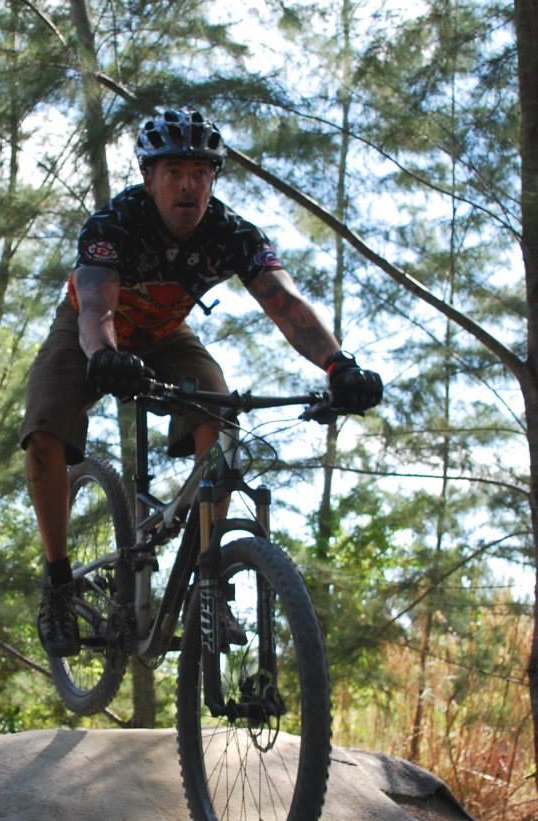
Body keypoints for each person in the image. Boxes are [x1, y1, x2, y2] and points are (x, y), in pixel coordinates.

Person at [19, 109, 383, 658]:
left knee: (220, 417)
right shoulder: (113, 224)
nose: (188, 185)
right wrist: (104, 356)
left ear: (214, 179)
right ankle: (58, 582)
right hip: (89, 334)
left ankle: (208, 580)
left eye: (201, 172)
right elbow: (95, 305)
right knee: (45, 432)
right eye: (173, 172)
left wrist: (339, 366)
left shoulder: (231, 234)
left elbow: (285, 304)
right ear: (149, 176)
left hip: (166, 334)